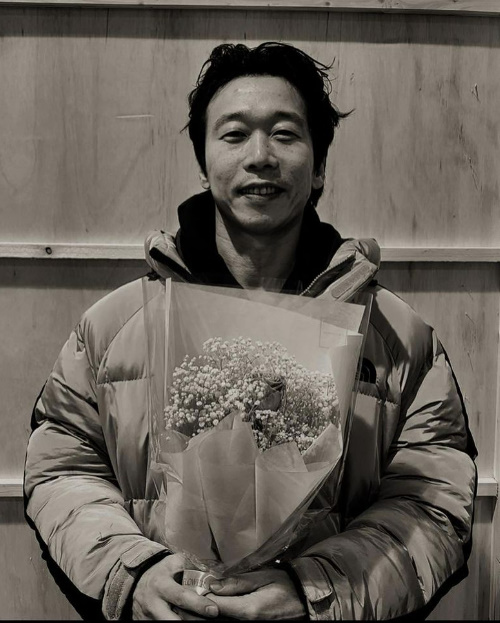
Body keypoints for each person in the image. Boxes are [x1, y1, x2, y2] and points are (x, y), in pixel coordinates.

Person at [24, 42, 477, 621]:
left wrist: (316, 590)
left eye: (285, 134)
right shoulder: (114, 327)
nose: (260, 156)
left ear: (319, 166)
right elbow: (63, 469)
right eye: (234, 134)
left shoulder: (397, 338)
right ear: (203, 163)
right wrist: (133, 573)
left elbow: (433, 503)